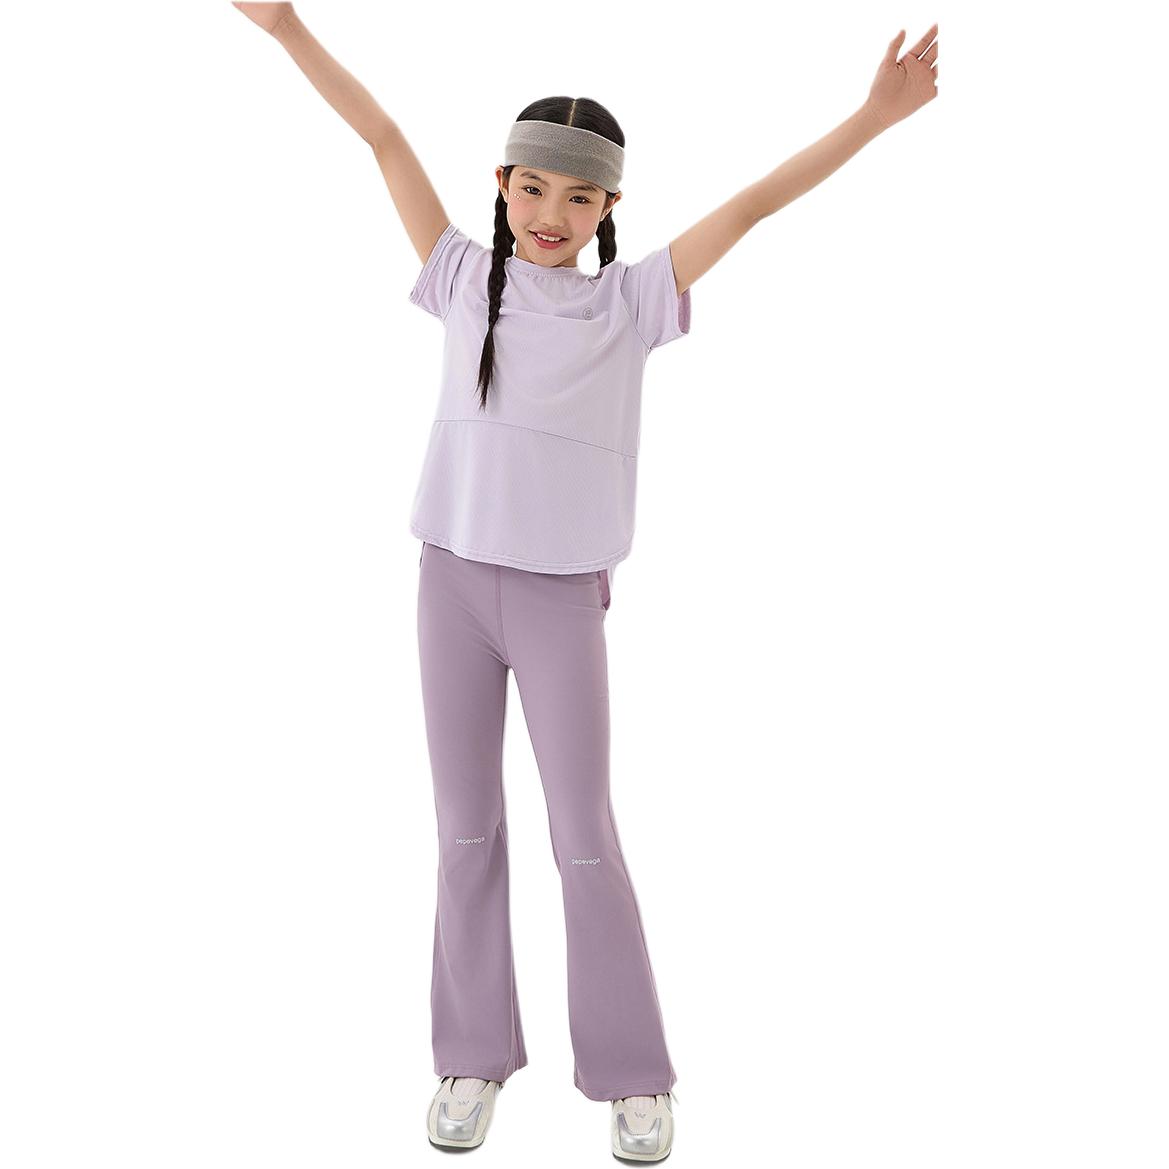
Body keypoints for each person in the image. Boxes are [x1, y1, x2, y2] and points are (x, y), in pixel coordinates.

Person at [231, 4, 939, 1159]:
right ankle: (470, 1054)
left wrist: (870, 118)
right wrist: (286, 29)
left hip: (559, 600)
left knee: (583, 835)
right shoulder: (461, 278)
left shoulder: (629, 303)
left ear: (609, 206)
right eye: (531, 188)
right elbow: (381, 136)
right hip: (449, 586)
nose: (549, 213)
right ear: (502, 184)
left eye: (577, 196)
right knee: (464, 829)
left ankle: (630, 1072)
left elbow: (752, 205)